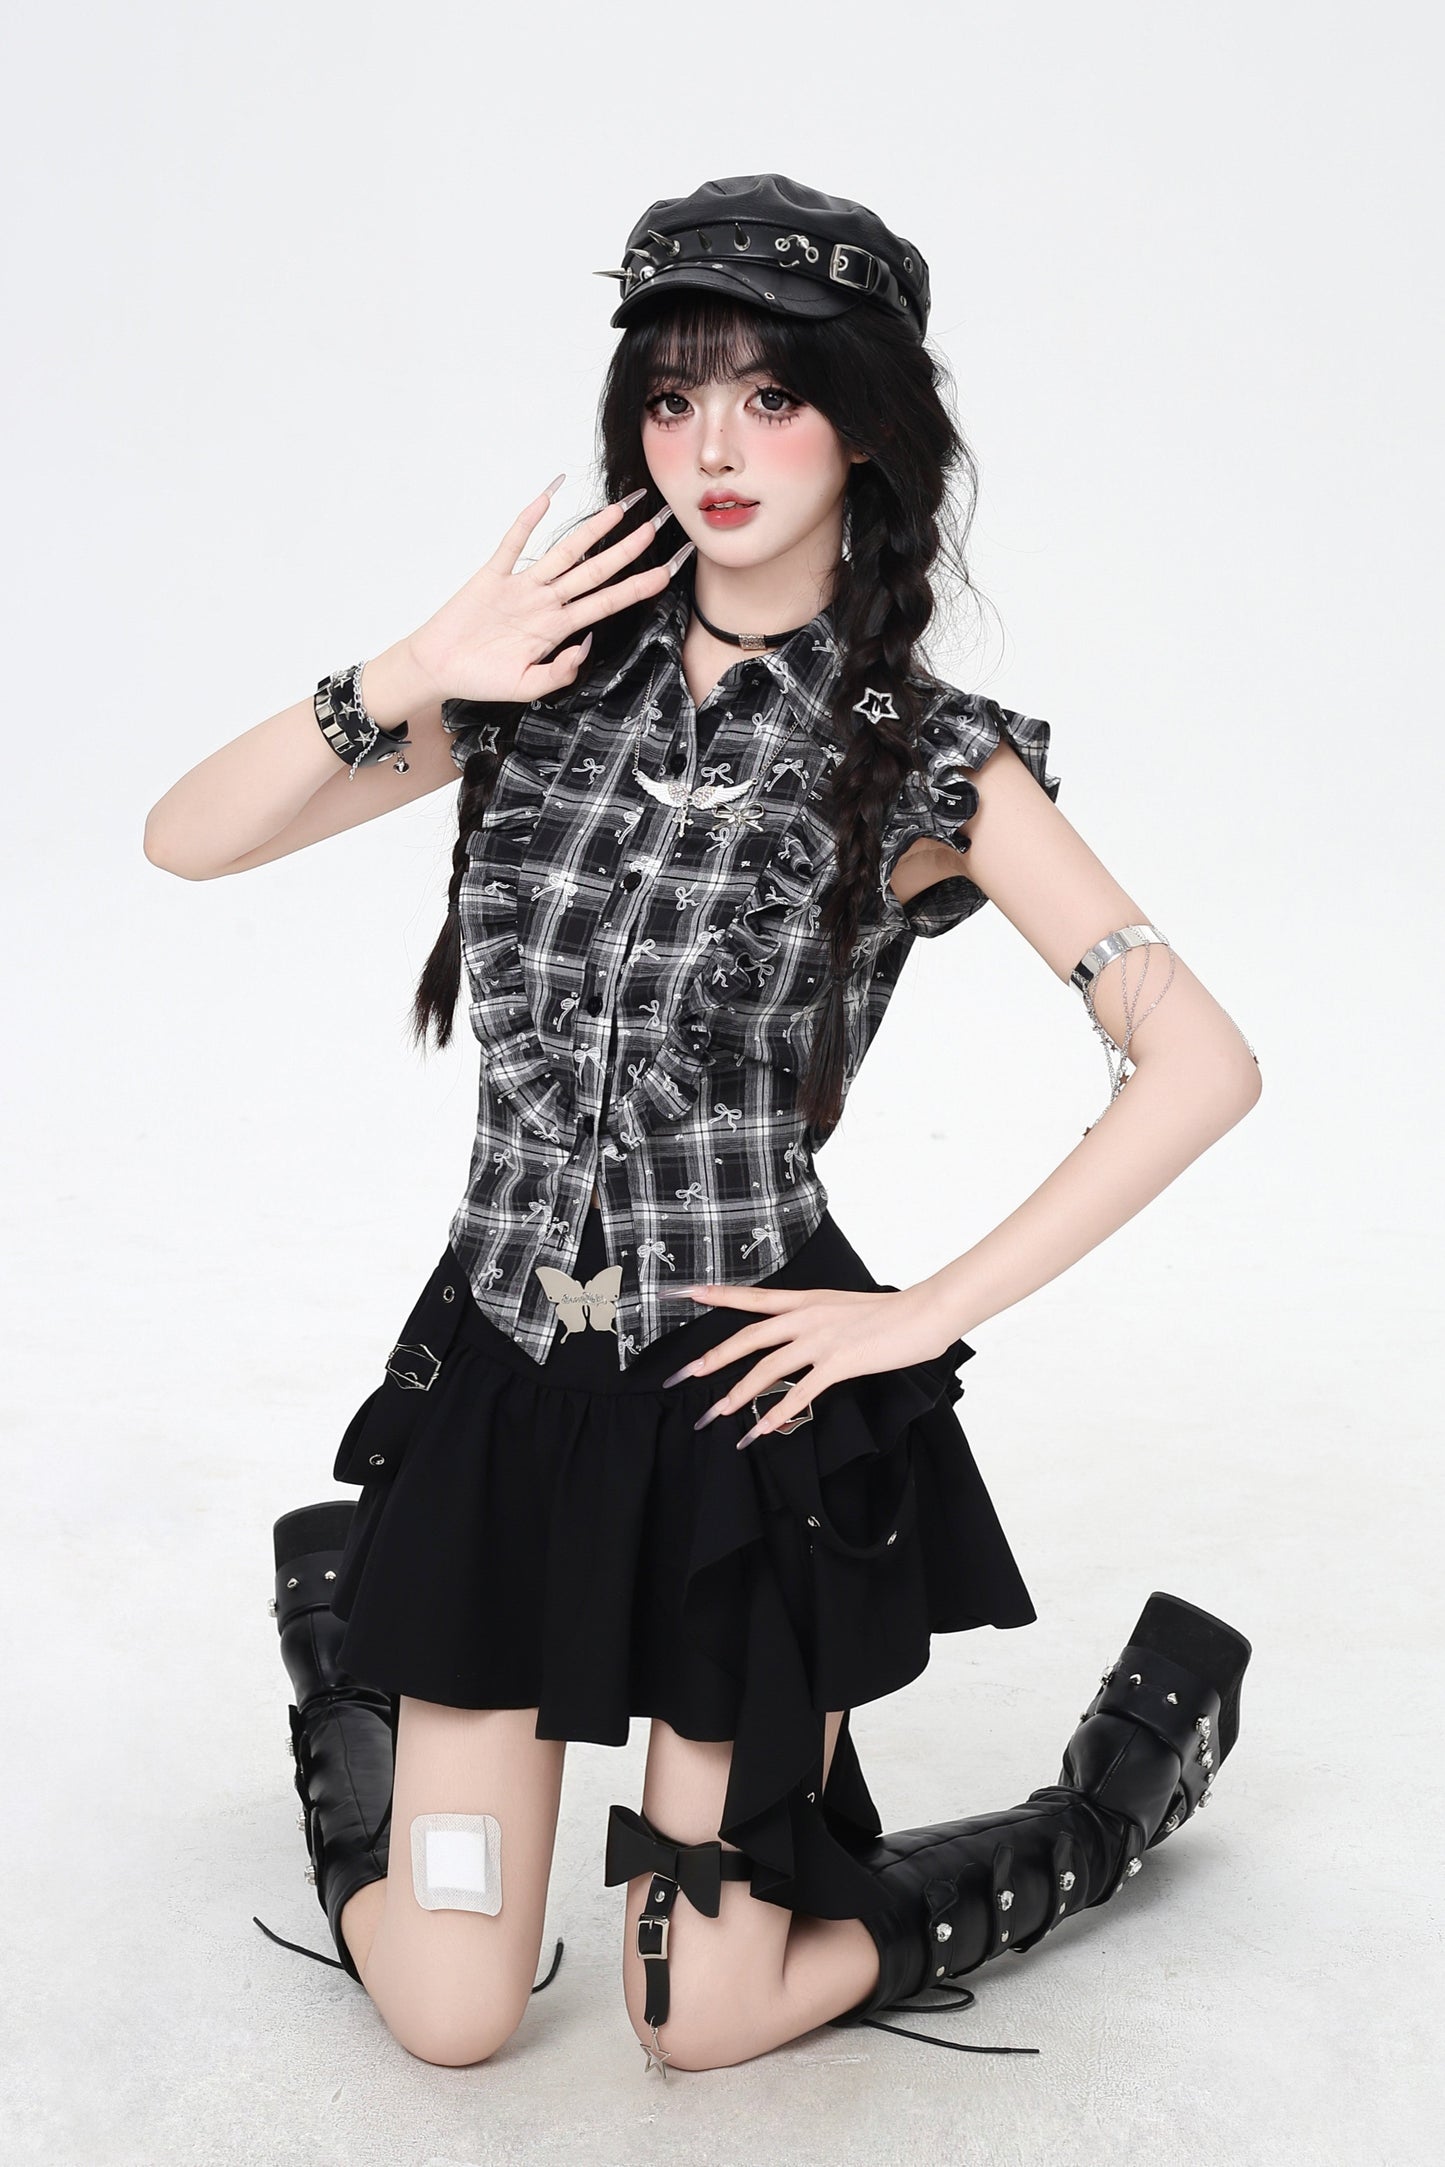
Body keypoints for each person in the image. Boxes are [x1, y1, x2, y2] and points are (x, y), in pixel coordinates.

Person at [143, 172, 1263, 2076]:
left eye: (770, 395)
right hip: (506, 1381)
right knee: (449, 2014)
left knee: (702, 2018)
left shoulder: (928, 755)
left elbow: (1199, 1062)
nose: (713, 448)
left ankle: (1105, 1799)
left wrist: (917, 1317)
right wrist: (411, 668)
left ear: (866, 425)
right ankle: (352, 1653)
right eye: (671, 399)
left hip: (745, 1417)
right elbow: (187, 839)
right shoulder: (537, 685)